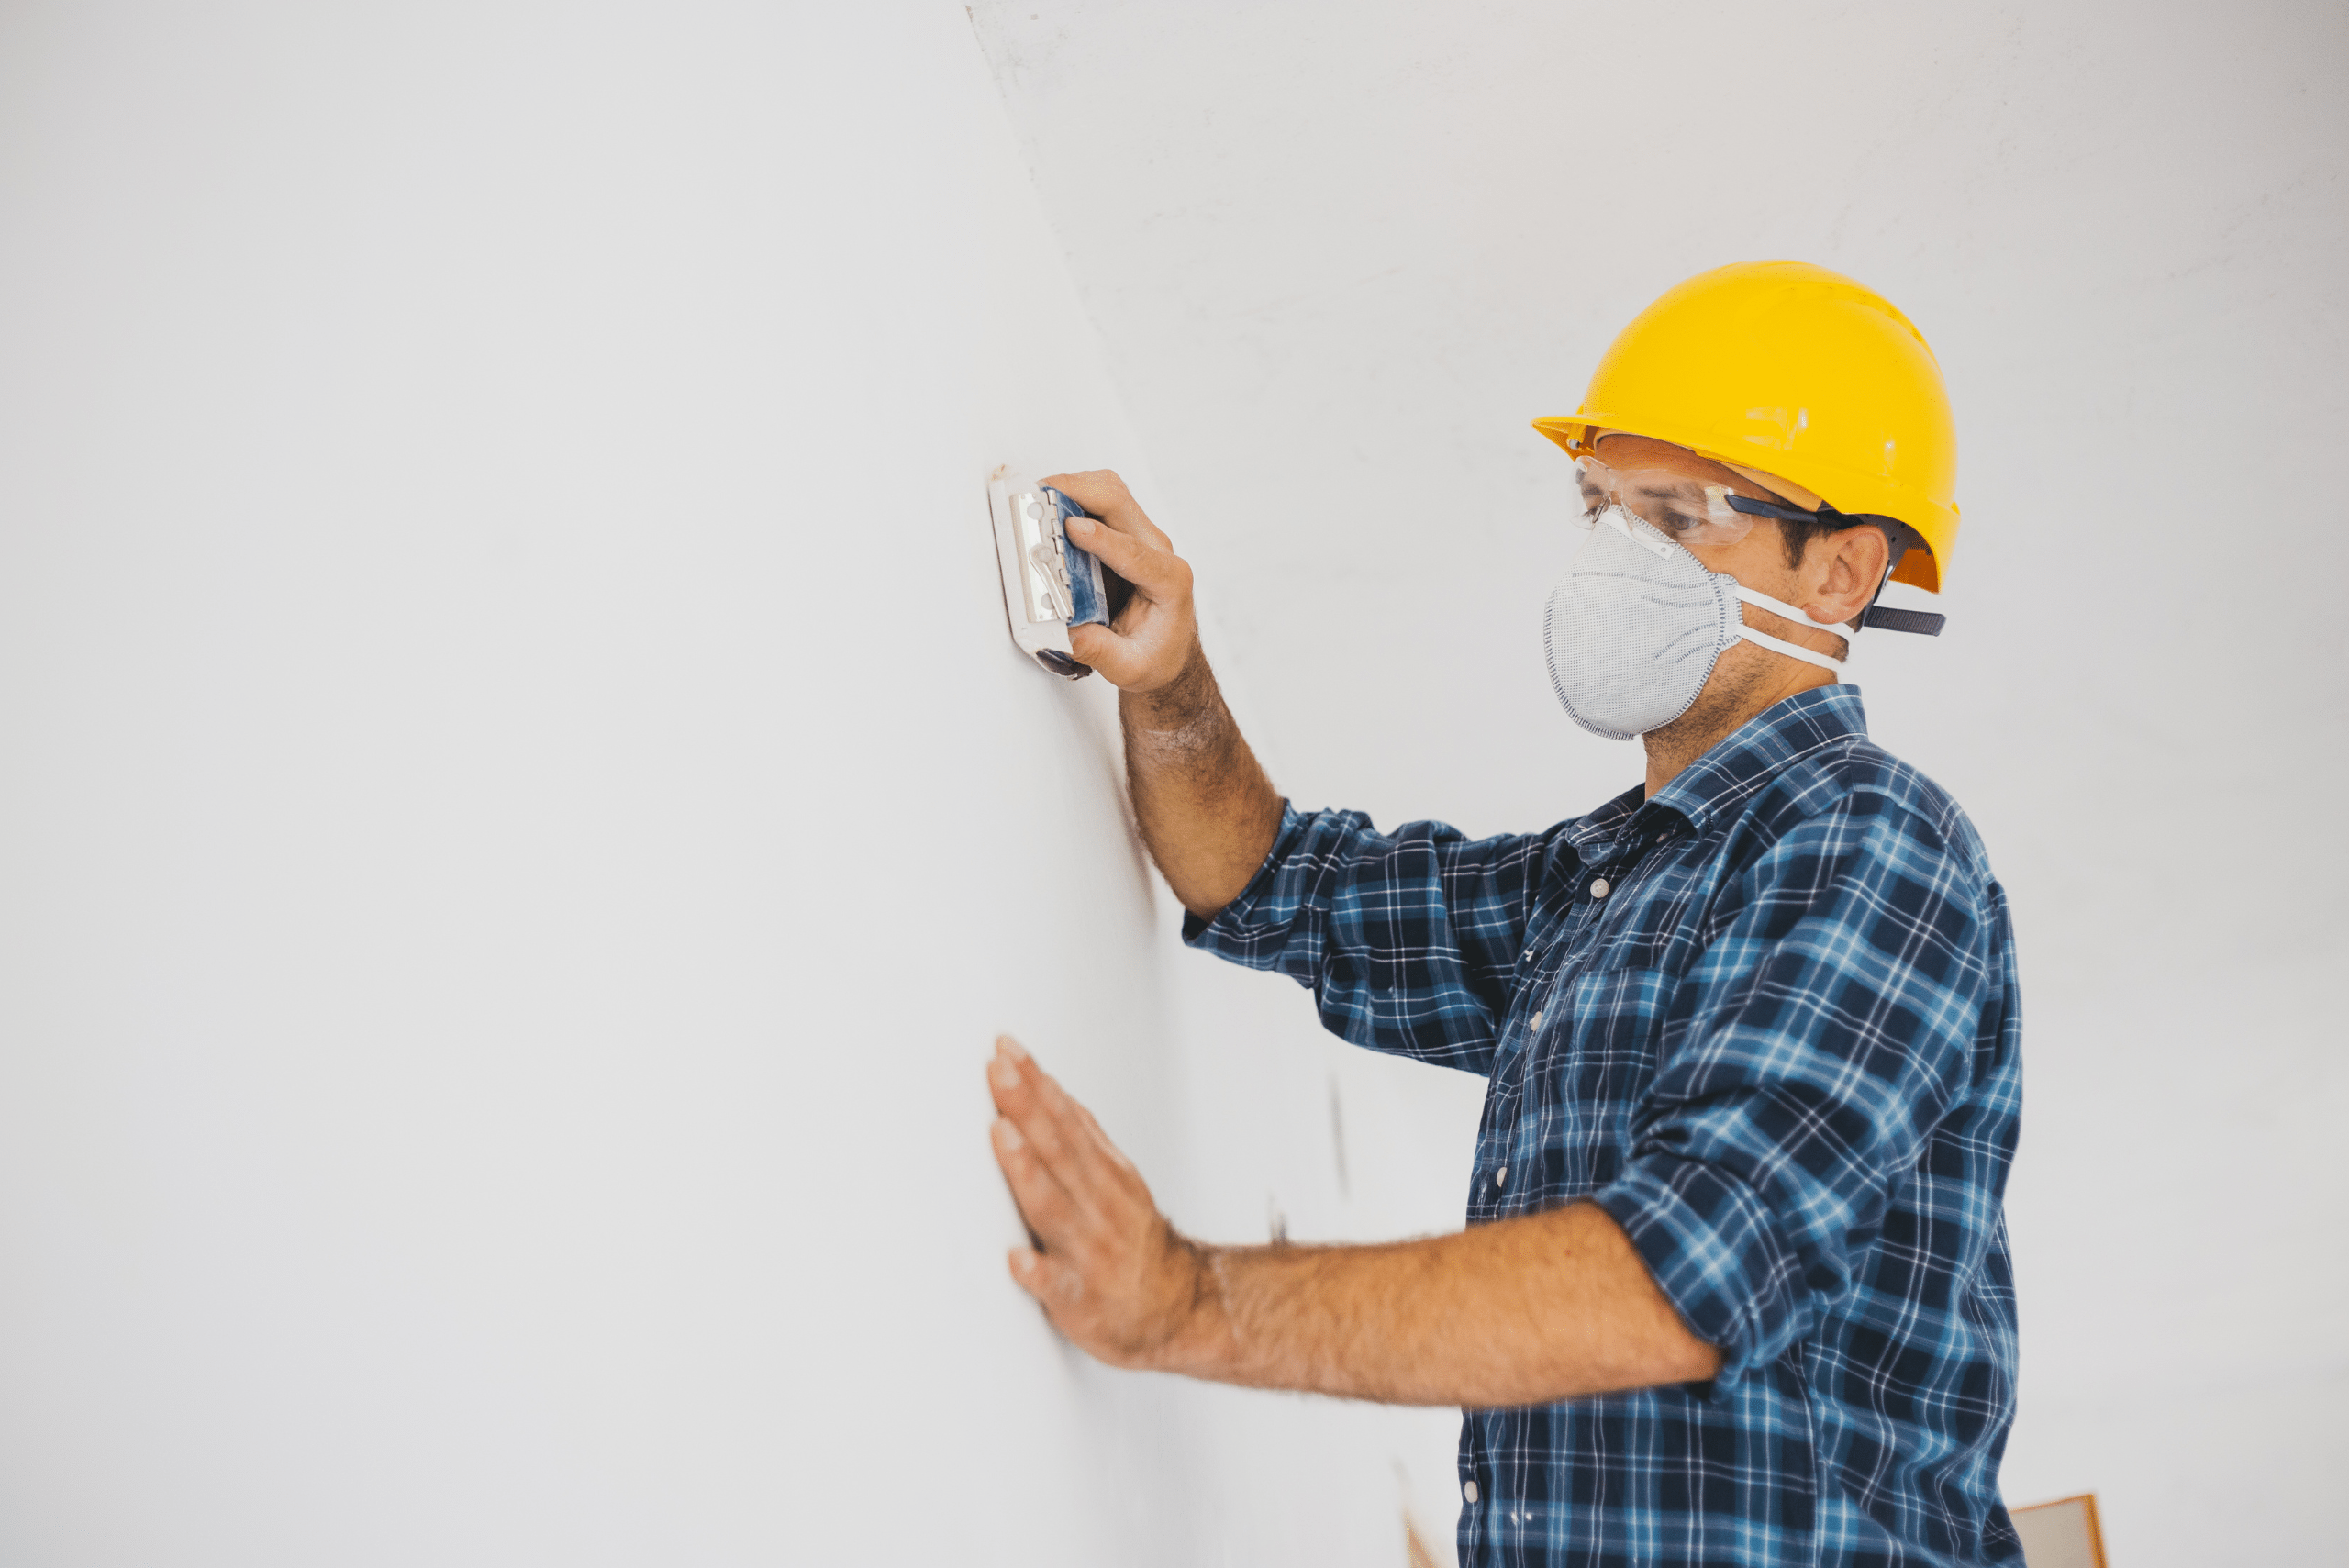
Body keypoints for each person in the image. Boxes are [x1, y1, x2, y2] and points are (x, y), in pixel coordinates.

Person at [983, 261, 2022, 1567]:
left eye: (1679, 514)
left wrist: (1184, 1300)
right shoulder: (1592, 889)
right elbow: (1269, 880)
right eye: (1602, 508)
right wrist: (1172, 679)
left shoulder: (1875, 845)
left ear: (1842, 573)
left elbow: (1687, 1272)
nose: (1617, 558)